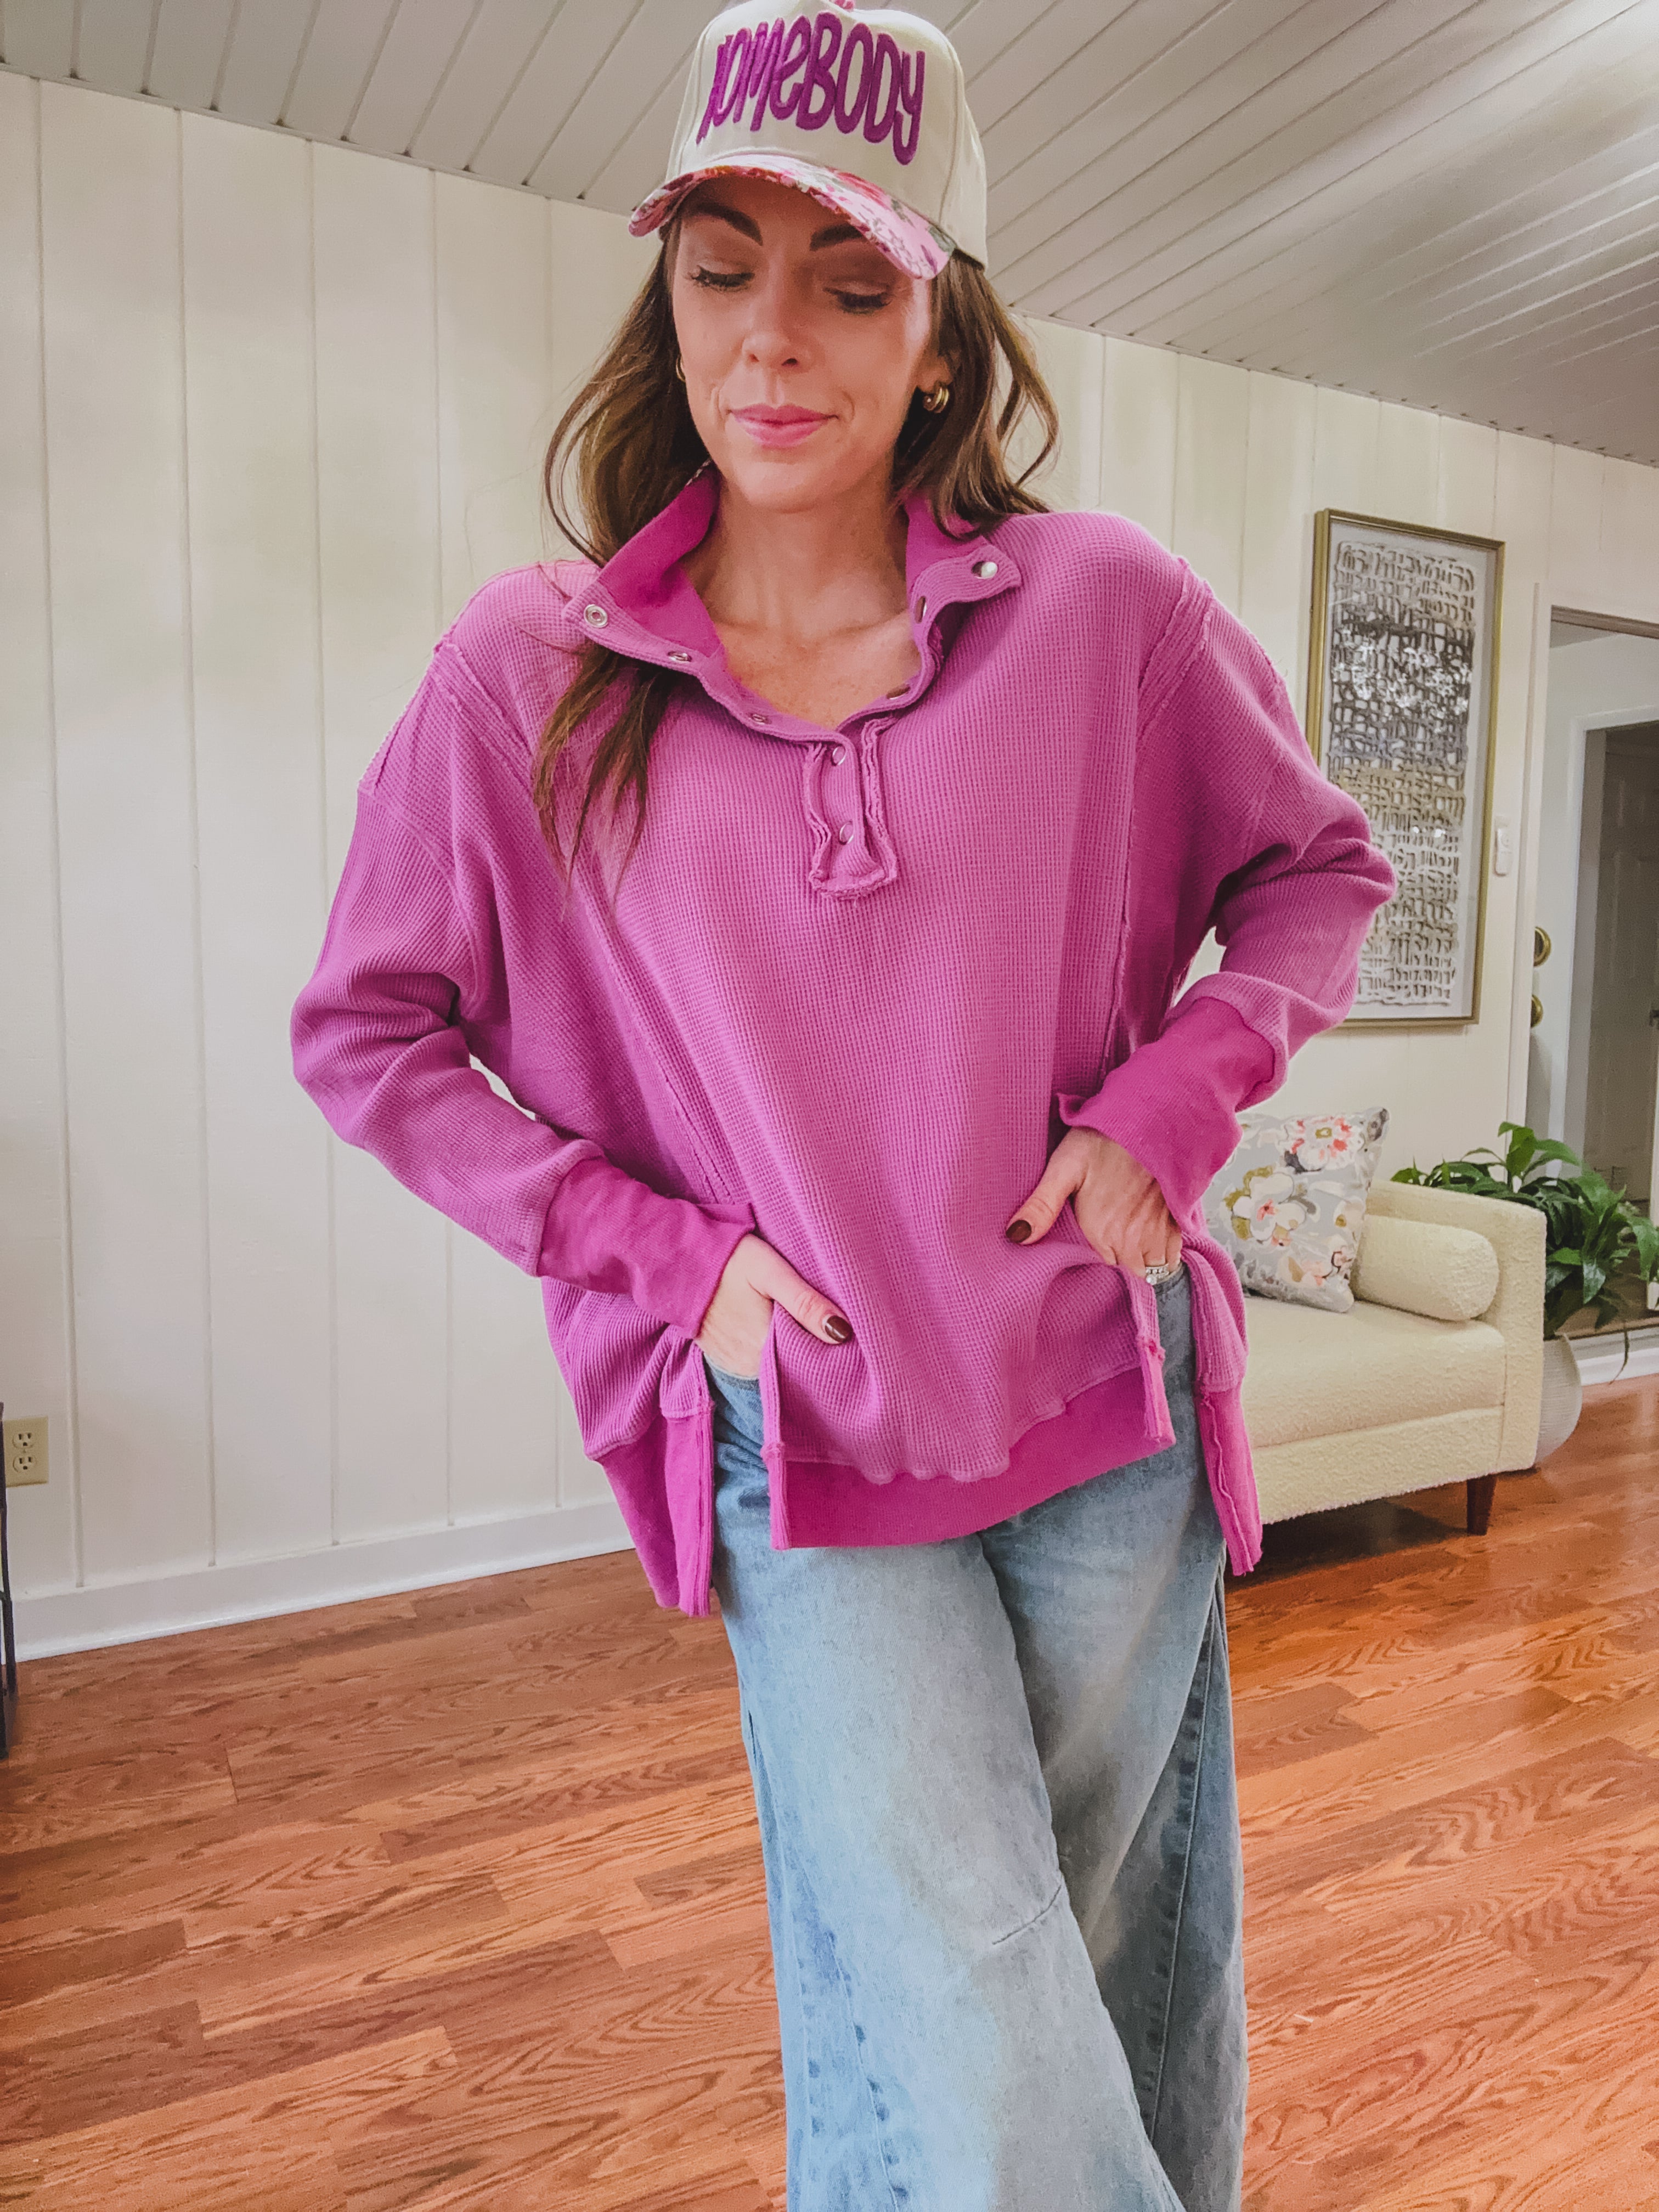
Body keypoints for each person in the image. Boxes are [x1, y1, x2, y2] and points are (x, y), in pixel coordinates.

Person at [291, 4, 1396, 2204]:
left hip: (1107, 1399)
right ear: (665, 292)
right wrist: (655, 1259)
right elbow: (370, 1033)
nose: (772, 337)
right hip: (804, 1430)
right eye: (721, 264)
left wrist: (1172, 1112)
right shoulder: (531, 674)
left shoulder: (1106, 614)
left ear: (943, 335)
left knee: (1064, 1954)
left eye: (850, 278)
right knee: (975, 1987)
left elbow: (1320, 875)